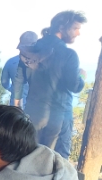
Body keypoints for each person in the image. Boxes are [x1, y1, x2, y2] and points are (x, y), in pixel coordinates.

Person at [12, 10, 86, 153]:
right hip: (58, 116)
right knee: (55, 161)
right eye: (75, 28)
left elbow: (19, 79)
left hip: (31, 113)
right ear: (62, 28)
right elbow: (75, 86)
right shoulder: (69, 55)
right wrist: (82, 76)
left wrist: (17, 106)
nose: (78, 33)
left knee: (25, 154)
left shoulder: (30, 50)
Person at [0, 31, 37, 106]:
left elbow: (4, 82)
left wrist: (12, 90)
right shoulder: (42, 64)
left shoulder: (11, 62)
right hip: (34, 109)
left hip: (15, 107)